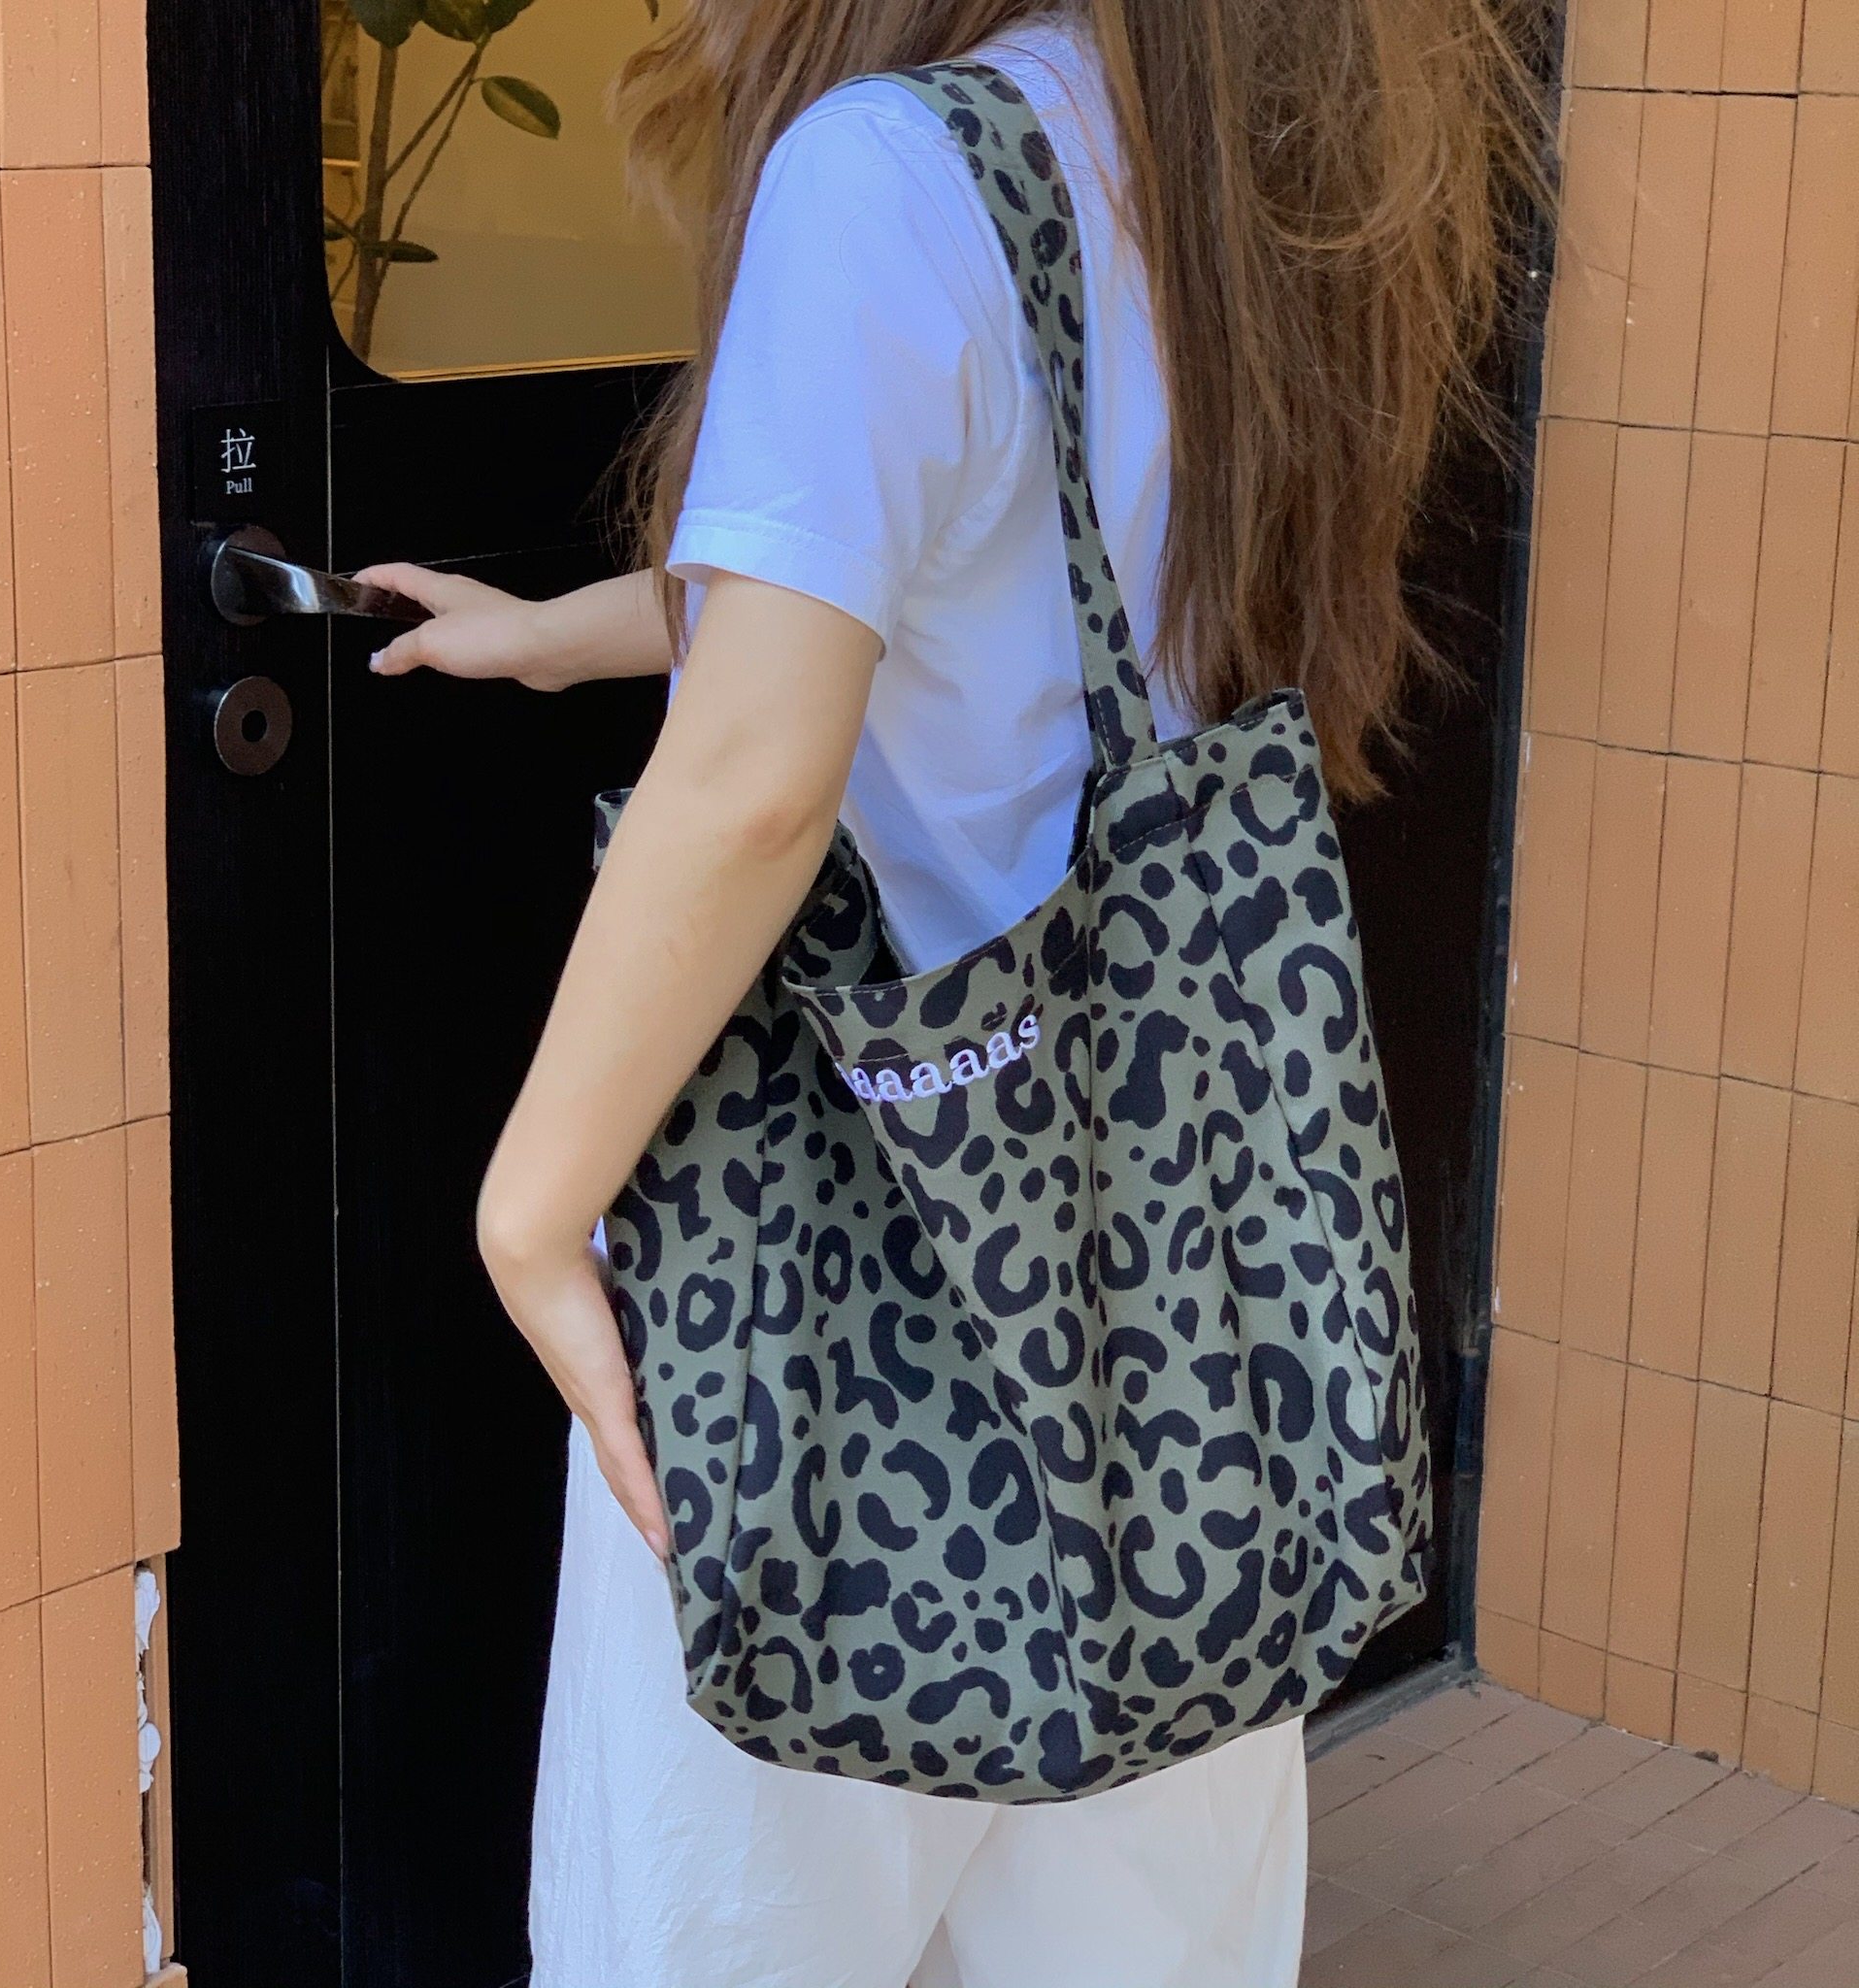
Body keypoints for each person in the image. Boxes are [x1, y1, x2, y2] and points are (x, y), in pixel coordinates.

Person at [356, 3, 1536, 1981]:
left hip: (829, 1302)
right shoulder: (1243, 143)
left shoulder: (887, 170)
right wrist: (560, 634)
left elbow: (757, 777)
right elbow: (985, 573)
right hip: (1178, 1308)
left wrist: (529, 1209)